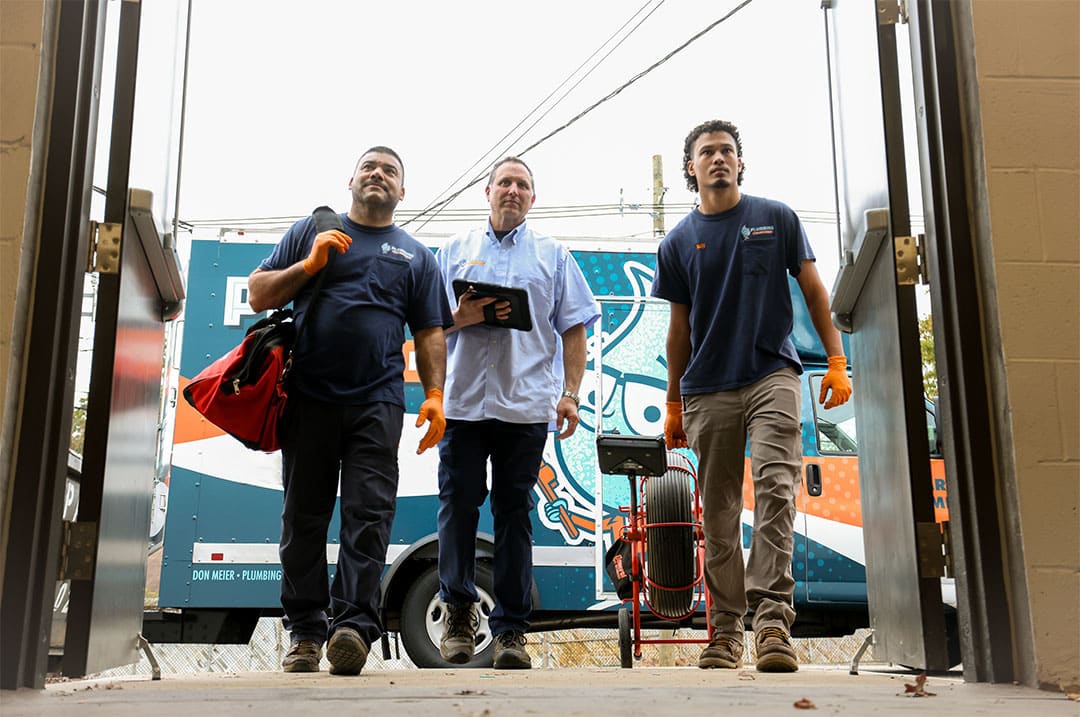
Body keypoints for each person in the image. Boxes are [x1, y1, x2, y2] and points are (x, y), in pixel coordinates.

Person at [651, 120, 852, 673]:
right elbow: (678, 329)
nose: (718, 158)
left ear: (740, 162)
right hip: (708, 388)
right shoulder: (676, 243)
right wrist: (672, 401)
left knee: (776, 492)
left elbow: (813, 288)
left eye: (727, 151)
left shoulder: (775, 218)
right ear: (690, 169)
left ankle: (771, 627)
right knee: (717, 512)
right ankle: (723, 633)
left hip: (773, 376)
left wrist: (836, 360)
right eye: (706, 153)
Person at [247, 147, 453, 676]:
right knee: (303, 520)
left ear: (403, 192)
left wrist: (434, 396)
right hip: (309, 399)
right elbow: (257, 293)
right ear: (351, 180)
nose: (378, 175)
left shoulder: (416, 256)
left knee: (368, 518)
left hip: (377, 404)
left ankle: (353, 629)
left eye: (390, 171)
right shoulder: (310, 231)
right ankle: (306, 634)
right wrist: (309, 264)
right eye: (370, 167)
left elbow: (430, 332)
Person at [434, 157, 600, 669]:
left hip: (526, 408)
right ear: (486, 191)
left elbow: (574, 328)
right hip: (461, 405)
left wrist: (570, 393)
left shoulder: (552, 256)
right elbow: (427, 329)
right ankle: (459, 616)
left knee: (513, 515)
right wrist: (458, 318)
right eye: (504, 182)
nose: (512, 190)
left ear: (533, 197)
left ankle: (510, 631)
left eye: (522, 185)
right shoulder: (453, 251)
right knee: (458, 509)